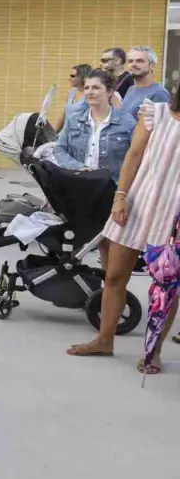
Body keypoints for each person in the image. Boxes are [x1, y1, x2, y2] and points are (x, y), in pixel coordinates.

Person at [66, 83, 180, 374]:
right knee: (115, 275)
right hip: (138, 204)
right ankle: (104, 340)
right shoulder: (156, 113)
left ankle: (153, 351)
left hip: (173, 215)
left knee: (166, 286)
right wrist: (120, 197)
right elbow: (133, 156)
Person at [50, 70, 134, 179]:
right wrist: (79, 167)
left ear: (109, 92)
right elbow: (59, 149)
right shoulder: (74, 120)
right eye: (86, 88)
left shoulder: (127, 122)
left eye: (96, 88)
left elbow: (136, 157)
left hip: (112, 185)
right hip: (78, 182)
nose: (89, 92)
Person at [119, 47, 171, 122]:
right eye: (130, 61)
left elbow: (162, 125)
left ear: (152, 65)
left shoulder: (159, 93)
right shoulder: (131, 89)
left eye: (139, 61)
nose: (133, 64)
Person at [52, 64, 94, 132]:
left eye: (73, 76)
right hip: (66, 134)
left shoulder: (90, 95)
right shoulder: (72, 92)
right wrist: (53, 133)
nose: (70, 78)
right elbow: (64, 115)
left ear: (82, 77)